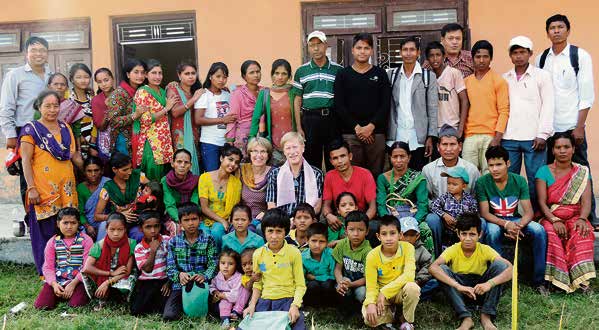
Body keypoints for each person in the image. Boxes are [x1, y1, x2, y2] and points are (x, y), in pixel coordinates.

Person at [536, 14, 596, 226]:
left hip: (572, 126)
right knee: (550, 172)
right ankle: (552, 213)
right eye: (552, 27)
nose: (556, 31)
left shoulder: (579, 56)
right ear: (547, 32)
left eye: (560, 27)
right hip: (549, 128)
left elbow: (587, 94)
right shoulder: (542, 59)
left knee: (581, 168)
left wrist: (580, 126)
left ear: (568, 30)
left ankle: (589, 215)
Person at [19, 90, 80, 275]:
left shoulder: (65, 127)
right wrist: (31, 188)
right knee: (46, 232)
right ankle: (46, 273)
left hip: (66, 188)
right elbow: (26, 161)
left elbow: (71, 155)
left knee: (67, 229)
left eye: (55, 105)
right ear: (39, 107)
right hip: (43, 189)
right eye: (48, 106)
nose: (52, 110)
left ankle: (67, 270)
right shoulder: (31, 130)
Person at [477, 146, 547, 293]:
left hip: (515, 220)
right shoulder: (482, 182)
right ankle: (498, 280)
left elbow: (529, 212)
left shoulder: (519, 181)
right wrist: (506, 224)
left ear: (508, 164)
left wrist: (518, 226)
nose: (495, 169)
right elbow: (484, 213)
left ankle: (539, 281)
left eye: (499, 164)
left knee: (539, 230)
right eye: (491, 165)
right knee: (493, 232)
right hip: (494, 220)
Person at [0, 36, 52, 236]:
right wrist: (11, 136)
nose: (38, 54)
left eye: (42, 50)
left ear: (47, 53)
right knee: (27, 178)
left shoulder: (51, 75)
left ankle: (48, 217)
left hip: (49, 131)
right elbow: (6, 107)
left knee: (47, 175)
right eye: (34, 50)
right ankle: (32, 222)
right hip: (25, 132)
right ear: (26, 53)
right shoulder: (15, 75)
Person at [430, 213, 513, 330]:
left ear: (480, 234)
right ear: (458, 234)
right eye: (464, 234)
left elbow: (510, 268)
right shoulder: (453, 249)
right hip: (460, 293)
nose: (468, 238)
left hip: (481, 290)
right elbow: (433, 267)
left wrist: (489, 284)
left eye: (472, 234)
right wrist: (458, 286)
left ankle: (486, 316)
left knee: (501, 265)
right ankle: (466, 318)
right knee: (442, 269)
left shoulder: (485, 249)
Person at [536, 132, 596, 293]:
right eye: (558, 147)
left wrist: (583, 218)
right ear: (553, 150)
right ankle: (554, 281)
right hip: (551, 215)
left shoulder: (581, 172)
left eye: (566, 147)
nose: (562, 151)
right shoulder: (543, 171)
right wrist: (554, 220)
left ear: (573, 149)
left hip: (576, 215)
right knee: (551, 233)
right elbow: (542, 202)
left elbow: (586, 201)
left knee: (583, 231)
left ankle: (582, 281)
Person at [502, 36, 554, 212]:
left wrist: (543, 134)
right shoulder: (505, 78)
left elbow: (549, 105)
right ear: (510, 55)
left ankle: (538, 214)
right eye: (515, 53)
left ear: (530, 53)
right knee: (509, 179)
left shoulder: (542, 76)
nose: (519, 56)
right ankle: (510, 214)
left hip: (534, 138)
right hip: (509, 137)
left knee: (536, 179)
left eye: (522, 52)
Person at [333, 32, 390, 176]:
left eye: (366, 48)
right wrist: (357, 128)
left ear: (371, 50)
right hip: (350, 134)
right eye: (359, 48)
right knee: (353, 174)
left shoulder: (380, 73)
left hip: (376, 134)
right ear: (352, 50)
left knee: (375, 174)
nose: (362, 51)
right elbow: (339, 105)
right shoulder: (343, 74)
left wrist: (371, 127)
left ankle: (375, 199)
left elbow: (386, 104)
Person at [243, 208, 307, 330]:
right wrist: (252, 305)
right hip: (265, 301)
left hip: (288, 300)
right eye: (270, 231)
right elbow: (258, 283)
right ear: (264, 232)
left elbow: (300, 285)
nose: (274, 236)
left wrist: (295, 306)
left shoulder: (294, 253)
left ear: (286, 232)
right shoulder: (258, 254)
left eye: (279, 231)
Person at [292, 30, 343, 170]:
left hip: (332, 118)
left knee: (333, 157)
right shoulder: (301, 71)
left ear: (326, 45)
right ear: (308, 48)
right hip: (310, 119)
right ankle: (313, 191)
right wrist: (298, 127)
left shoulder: (338, 70)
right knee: (311, 159)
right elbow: (297, 99)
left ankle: (332, 191)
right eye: (312, 45)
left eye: (319, 44)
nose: (316, 48)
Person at [386, 36, 439, 171]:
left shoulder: (428, 76)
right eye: (405, 50)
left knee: (418, 173)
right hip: (396, 134)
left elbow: (432, 108)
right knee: (397, 175)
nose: (408, 53)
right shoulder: (391, 75)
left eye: (412, 50)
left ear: (418, 52)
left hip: (418, 137)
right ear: (400, 52)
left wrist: (430, 137)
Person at [363, 215, 420, 330]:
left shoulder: (408, 248)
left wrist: (384, 292)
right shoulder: (372, 256)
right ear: (378, 236)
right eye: (384, 234)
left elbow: (409, 275)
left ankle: (406, 319)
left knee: (413, 287)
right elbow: (371, 286)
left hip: (399, 292)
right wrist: (370, 303)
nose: (388, 238)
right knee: (368, 318)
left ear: (400, 235)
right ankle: (392, 315)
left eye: (392, 233)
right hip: (381, 297)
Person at [164, 202, 218, 321]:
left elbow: (213, 264)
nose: (191, 223)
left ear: (200, 219)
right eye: (186, 220)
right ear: (180, 222)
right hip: (181, 284)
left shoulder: (208, 240)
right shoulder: (174, 242)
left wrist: (204, 276)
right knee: (169, 316)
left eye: (194, 219)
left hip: (203, 283)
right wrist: (179, 275)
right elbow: (170, 268)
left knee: (217, 312)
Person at [376, 142, 433, 254]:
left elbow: (423, 205)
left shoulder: (418, 178)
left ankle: (428, 264)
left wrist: (412, 223)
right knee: (389, 231)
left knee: (425, 229)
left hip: (413, 216)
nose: (398, 160)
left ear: (409, 157)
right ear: (390, 158)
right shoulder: (383, 178)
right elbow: (381, 205)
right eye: (395, 157)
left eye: (402, 156)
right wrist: (391, 222)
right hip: (391, 217)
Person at [462, 40, 510, 173]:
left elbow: (504, 111)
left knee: (489, 175)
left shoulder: (499, 81)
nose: (481, 60)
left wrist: (497, 138)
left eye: (485, 56)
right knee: (468, 176)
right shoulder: (466, 82)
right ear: (472, 58)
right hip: (470, 136)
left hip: (490, 136)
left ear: (491, 58)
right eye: (478, 57)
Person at [34, 207, 93, 310]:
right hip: (58, 280)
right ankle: (60, 293)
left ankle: (71, 295)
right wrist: (54, 284)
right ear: (58, 224)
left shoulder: (86, 240)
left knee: (76, 305)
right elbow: (48, 267)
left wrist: (73, 284)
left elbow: (87, 267)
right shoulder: (52, 242)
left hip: (79, 281)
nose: (69, 226)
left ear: (78, 224)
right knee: (41, 306)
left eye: (73, 223)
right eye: (65, 223)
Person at [132, 59, 175, 181]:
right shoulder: (142, 92)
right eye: (154, 73)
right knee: (152, 179)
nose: (158, 76)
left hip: (164, 141)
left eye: (160, 73)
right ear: (146, 75)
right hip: (151, 142)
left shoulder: (162, 91)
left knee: (164, 179)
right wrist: (166, 108)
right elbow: (145, 119)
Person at [82, 213, 136, 310]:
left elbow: (127, 271)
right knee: (86, 275)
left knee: (131, 278)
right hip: (104, 273)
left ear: (125, 230)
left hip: (121, 275)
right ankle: (102, 297)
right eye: (112, 229)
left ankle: (120, 297)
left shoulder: (131, 243)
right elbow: (87, 268)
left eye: (120, 229)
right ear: (106, 229)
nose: (116, 233)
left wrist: (107, 282)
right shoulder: (99, 245)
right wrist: (111, 273)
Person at [323, 139, 377, 237]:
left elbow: (372, 207)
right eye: (335, 158)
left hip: (361, 218)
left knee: (375, 228)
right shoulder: (329, 176)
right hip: (340, 219)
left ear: (350, 156)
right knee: (322, 227)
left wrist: (360, 223)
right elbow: (326, 204)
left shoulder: (365, 174)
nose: (340, 161)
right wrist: (329, 215)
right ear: (331, 161)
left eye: (343, 156)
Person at [249, 59, 296, 165]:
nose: (280, 77)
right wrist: (251, 140)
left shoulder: (293, 93)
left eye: (284, 74)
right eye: (277, 73)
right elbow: (256, 118)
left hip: (292, 145)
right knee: (274, 176)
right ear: (272, 75)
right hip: (272, 144)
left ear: (289, 76)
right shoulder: (265, 93)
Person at [266, 132, 323, 217]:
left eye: (295, 147)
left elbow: (317, 207)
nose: (292, 152)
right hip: (281, 223)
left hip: (306, 221)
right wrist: (285, 222)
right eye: (288, 148)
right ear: (284, 152)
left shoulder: (316, 174)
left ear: (303, 148)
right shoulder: (275, 174)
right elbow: (271, 205)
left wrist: (300, 220)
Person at [94, 152, 148, 242]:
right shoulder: (108, 188)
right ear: (114, 169)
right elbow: (97, 216)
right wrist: (119, 216)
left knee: (139, 235)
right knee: (104, 227)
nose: (130, 172)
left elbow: (153, 188)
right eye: (125, 170)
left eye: (130, 168)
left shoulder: (138, 176)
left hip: (138, 221)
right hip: (117, 224)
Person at [428, 167, 479, 258]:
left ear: (464, 186)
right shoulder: (444, 197)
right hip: (446, 231)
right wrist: (444, 215)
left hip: (462, 232)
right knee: (447, 251)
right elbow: (433, 206)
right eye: (448, 183)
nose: (450, 186)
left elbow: (474, 215)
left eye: (454, 184)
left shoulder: (470, 200)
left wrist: (462, 223)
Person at [198, 144, 242, 248]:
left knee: (217, 232)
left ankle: (218, 261)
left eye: (236, 162)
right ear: (221, 158)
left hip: (225, 219)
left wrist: (224, 221)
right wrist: (221, 220)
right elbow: (204, 208)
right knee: (204, 234)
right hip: (206, 219)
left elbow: (234, 208)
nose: (233, 164)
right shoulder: (205, 178)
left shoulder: (236, 183)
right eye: (230, 159)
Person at [422, 125, 480, 202]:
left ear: (460, 146)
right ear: (438, 147)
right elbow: (425, 198)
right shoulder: (428, 169)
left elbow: (477, 197)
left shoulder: (471, 169)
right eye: (445, 144)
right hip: (437, 211)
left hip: (465, 211)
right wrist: (442, 212)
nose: (448, 149)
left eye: (452, 144)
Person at [130, 211, 172, 316]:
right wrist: (152, 251)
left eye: (156, 226)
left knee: (164, 309)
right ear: (141, 229)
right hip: (147, 282)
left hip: (164, 280)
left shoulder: (168, 241)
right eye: (148, 227)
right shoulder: (139, 248)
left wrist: (169, 282)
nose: (153, 231)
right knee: (136, 311)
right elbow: (147, 269)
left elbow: (174, 263)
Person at [194, 62, 234, 172]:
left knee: (227, 175)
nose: (221, 80)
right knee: (213, 175)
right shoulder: (204, 94)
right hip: (210, 143)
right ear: (210, 76)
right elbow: (198, 119)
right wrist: (222, 120)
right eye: (218, 76)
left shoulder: (227, 94)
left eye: (224, 77)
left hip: (227, 143)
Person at [425, 42, 469, 139]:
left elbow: (465, 101)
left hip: (452, 127)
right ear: (427, 59)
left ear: (444, 56)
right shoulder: (426, 76)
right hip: (434, 129)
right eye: (431, 56)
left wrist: (461, 129)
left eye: (438, 55)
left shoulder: (454, 73)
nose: (435, 59)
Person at [166, 62, 203, 175]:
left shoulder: (197, 90)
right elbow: (175, 112)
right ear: (179, 75)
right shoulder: (173, 89)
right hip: (180, 135)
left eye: (193, 73)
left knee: (194, 162)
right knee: (181, 164)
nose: (191, 76)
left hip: (195, 133)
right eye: (187, 73)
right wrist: (193, 99)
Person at [106, 58, 147, 156]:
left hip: (141, 138)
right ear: (128, 74)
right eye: (136, 72)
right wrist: (134, 115)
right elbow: (113, 121)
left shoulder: (144, 92)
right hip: (124, 141)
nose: (140, 76)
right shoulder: (119, 94)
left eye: (142, 72)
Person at [333, 211, 371, 313]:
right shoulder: (342, 245)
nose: (356, 234)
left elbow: (367, 278)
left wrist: (351, 284)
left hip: (361, 283)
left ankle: (359, 310)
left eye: (360, 230)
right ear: (346, 231)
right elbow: (337, 269)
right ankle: (345, 309)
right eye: (351, 230)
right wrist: (340, 282)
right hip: (346, 279)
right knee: (341, 288)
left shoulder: (368, 252)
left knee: (362, 293)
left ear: (367, 231)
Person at [227, 60, 262, 157]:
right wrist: (230, 140)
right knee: (244, 166)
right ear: (244, 76)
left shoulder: (264, 91)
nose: (256, 75)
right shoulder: (238, 93)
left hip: (262, 134)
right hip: (243, 135)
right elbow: (232, 117)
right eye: (252, 72)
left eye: (258, 72)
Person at [399, 216, 436, 301]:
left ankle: (415, 296)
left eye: (412, 235)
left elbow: (428, 265)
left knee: (435, 283)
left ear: (417, 235)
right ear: (399, 235)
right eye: (405, 235)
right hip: (397, 282)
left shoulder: (421, 250)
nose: (408, 238)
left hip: (416, 282)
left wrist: (418, 280)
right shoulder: (395, 248)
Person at [302, 222, 337, 307]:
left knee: (327, 285)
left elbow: (333, 276)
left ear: (327, 242)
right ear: (307, 240)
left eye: (321, 241)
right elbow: (303, 278)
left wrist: (315, 277)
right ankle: (314, 306)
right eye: (314, 241)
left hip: (328, 284)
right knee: (313, 285)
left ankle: (328, 305)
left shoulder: (331, 254)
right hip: (312, 287)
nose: (317, 245)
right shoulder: (303, 257)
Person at [239, 137, 273, 224]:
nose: (259, 155)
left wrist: (266, 213)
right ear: (249, 153)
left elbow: (279, 203)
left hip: (264, 220)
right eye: (254, 151)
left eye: (263, 151)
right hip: (242, 219)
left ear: (268, 154)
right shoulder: (241, 170)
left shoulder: (274, 173)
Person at [210, 249, 247, 328]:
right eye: (223, 263)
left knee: (225, 301)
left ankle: (231, 316)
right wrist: (215, 292)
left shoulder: (238, 277)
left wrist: (221, 295)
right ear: (219, 264)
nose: (226, 266)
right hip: (222, 302)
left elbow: (235, 296)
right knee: (222, 302)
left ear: (236, 266)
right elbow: (212, 286)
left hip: (237, 303)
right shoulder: (218, 276)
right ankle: (225, 319)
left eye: (230, 264)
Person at [77, 156, 110, 241]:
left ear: (102, 170)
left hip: (105, 220)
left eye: (96, 170)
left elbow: (113, 207)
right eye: (89, 171)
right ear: (84, 172)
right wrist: (88, 226)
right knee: (81, 233)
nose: (93, 174)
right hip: (87, 224)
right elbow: (80, 212)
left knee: (104, 226)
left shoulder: (107, 183)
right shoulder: (81, 188)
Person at [162, 149, 199, 224]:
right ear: (172, 164)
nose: (182, 165)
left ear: (190, 165)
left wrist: (189, 220)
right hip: (174, 215)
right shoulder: (166, 180)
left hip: (192, 215)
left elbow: (194, 203)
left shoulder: (195, 181)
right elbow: (170, 205)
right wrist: (180, 220)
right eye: (179, 162)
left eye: (186, 162)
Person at [67, 63, 94, 152]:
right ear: (72, 79)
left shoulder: (92, 96)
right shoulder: (68, 98)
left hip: (93, 140)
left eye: (86, 77)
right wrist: (79, 137)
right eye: (78, 77)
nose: (83, 80)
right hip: (74, 142)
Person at [91, 68, 115, 162]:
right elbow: (100, 127)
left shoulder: (121, 95)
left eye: (106, 80)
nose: (104, 84)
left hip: (123, 138)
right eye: (100, 82)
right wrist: (109, 110)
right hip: (105, 139)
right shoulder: (96, 100)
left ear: (112, 79)